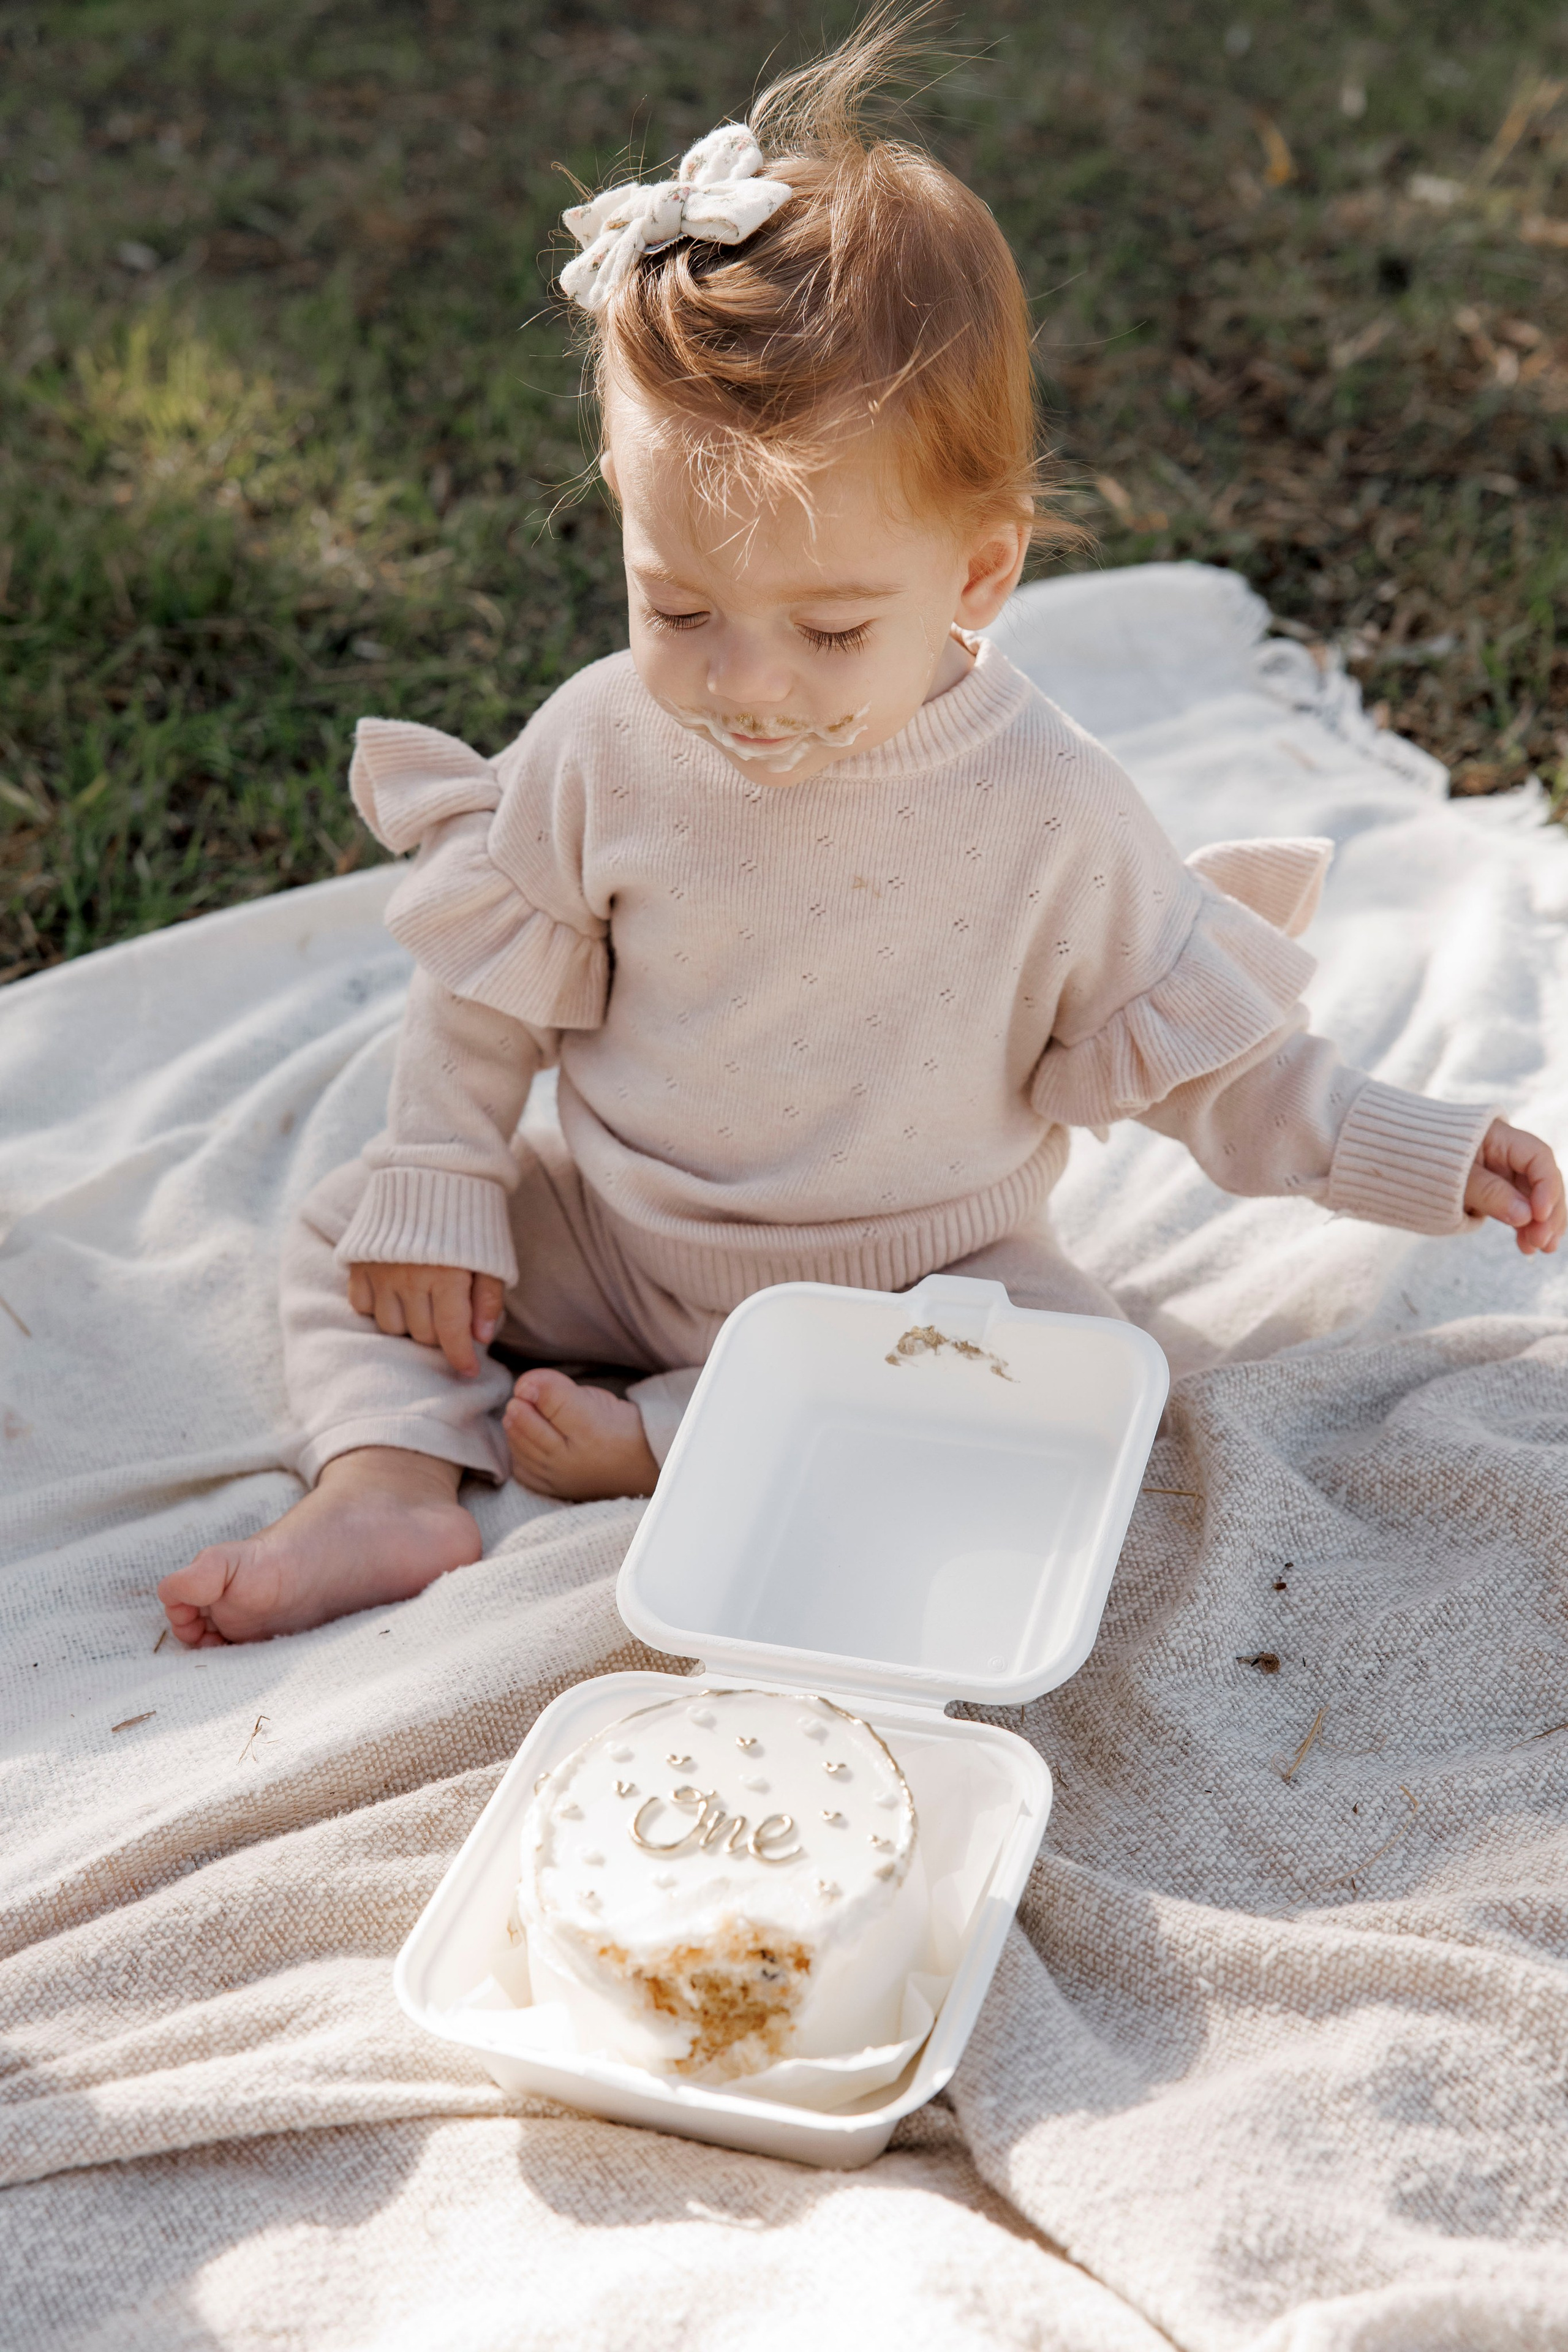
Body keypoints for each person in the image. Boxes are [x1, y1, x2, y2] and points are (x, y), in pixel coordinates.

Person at [157, 15, 1564, 1648]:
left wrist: (1425, 1150)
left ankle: (683, 1437)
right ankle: (389, 1490)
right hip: (622, 1241)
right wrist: (448, 1176)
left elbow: (1217, 1069)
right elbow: (486, 994)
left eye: (830, 631)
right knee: (357, 1227)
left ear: (976, 577)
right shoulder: (601, 743)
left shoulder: (1054, 812)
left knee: (1074, 1380)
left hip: (919, 1284)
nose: (746, 689)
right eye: (677, 604)